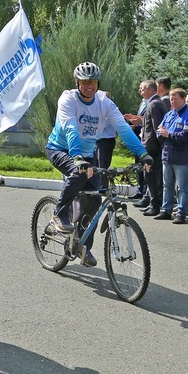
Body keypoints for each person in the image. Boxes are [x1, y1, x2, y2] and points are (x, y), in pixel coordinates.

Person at [45, 62, 152, 266]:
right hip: (61, 149)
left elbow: (122, 127)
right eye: (85, 82)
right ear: (77, 82)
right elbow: (70, 128)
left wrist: (142, 153)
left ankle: (84, 247)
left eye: (92, 82)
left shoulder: (104, 102)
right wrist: (76, 156)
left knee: (94, 200)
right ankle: (59, 214)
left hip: (86, 154)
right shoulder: (68, 99)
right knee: (78, 174)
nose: (89, 86)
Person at [155, 87, 188, 224]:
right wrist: (164, 135)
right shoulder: (169, 114)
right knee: (167, 185)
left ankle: (181, 213)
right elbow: (159, 131)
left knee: (182, 187)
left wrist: (168, 135)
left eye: (175, 99)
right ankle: (166, 210)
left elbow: (187, 136)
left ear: (183, 99)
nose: (172, 102)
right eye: (171, 99)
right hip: (167, 155)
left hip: (182, 157)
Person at [137, 79, 168, 217]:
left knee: (152, 176)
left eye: (142, 88)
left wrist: (161, 144)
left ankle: (155, 205)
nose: (140, 91)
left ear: (150, 90)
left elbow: (157, 128)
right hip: (150, 145)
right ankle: (151, 202)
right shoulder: (153, 103)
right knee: (148, 175)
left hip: (152, 147)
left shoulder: (154, 104)